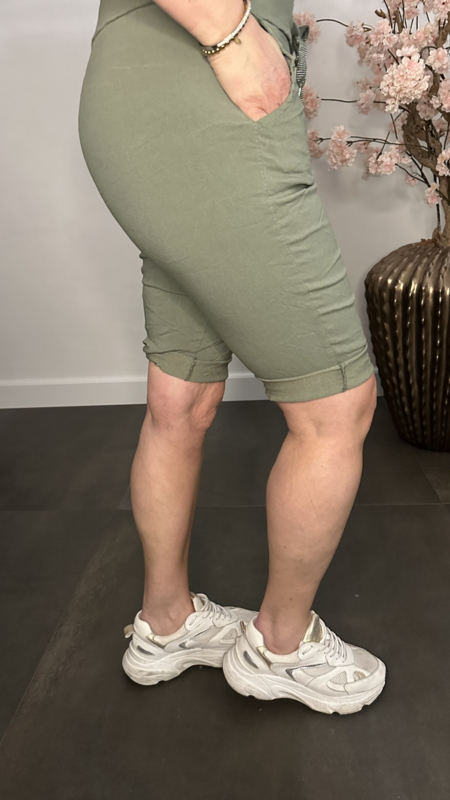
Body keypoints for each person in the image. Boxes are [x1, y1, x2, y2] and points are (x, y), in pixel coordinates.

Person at [78, 0, 386, 715]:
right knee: (337, 407)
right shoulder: (223, 43)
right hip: (207, 84)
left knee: (179, 397)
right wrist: (231, 34)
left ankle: (165, 622)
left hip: (140, 91)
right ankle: (281, 644)